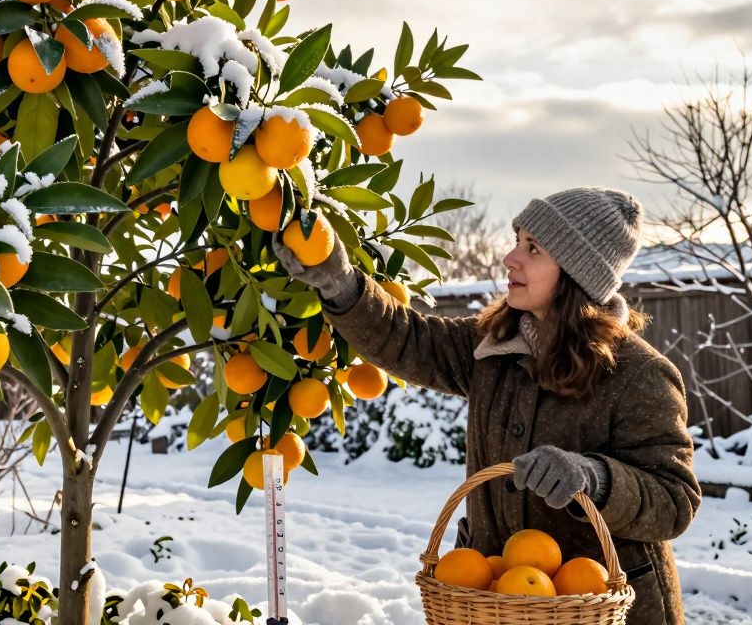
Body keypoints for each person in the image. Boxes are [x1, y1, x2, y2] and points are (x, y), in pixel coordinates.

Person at [274, 187, 700, 625]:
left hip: (601, 606)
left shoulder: (640, 374)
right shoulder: (491, 345)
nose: (510, 258)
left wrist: (594, 477)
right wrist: (340, 283)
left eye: (533, 248)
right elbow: (406, 338)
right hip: (496, 597)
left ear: (577, 272)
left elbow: (675, 500)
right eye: (517, 241)